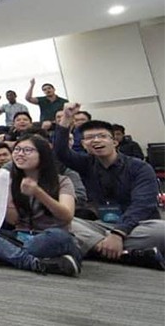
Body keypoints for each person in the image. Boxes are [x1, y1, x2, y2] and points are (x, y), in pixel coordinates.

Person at [54, 103, 165, 270]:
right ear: (84, 145)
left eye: (102, 136)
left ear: (115, 141)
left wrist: (118, 233)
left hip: (139, 225)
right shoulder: (86, 164)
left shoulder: (139, 167)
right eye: (90, 138)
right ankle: (127, 254)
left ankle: (96, 248)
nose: (96, 140)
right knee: (60, 221)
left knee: (162, 230)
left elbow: (143, 205)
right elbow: (61, 152)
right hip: (103, 224)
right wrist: (66, 119)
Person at [0, 134, 82, 276]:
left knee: (57, 237)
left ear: (43, 155)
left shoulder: (62, 181)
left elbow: (66, 216)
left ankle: (12, 256)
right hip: (20, 237)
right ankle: (39, 263)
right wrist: (5, 196)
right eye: (17, 150)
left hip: (49, 237)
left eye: (27, 150)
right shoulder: (10, 181)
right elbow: (14, 220)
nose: (20, 154)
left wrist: (38, 192)